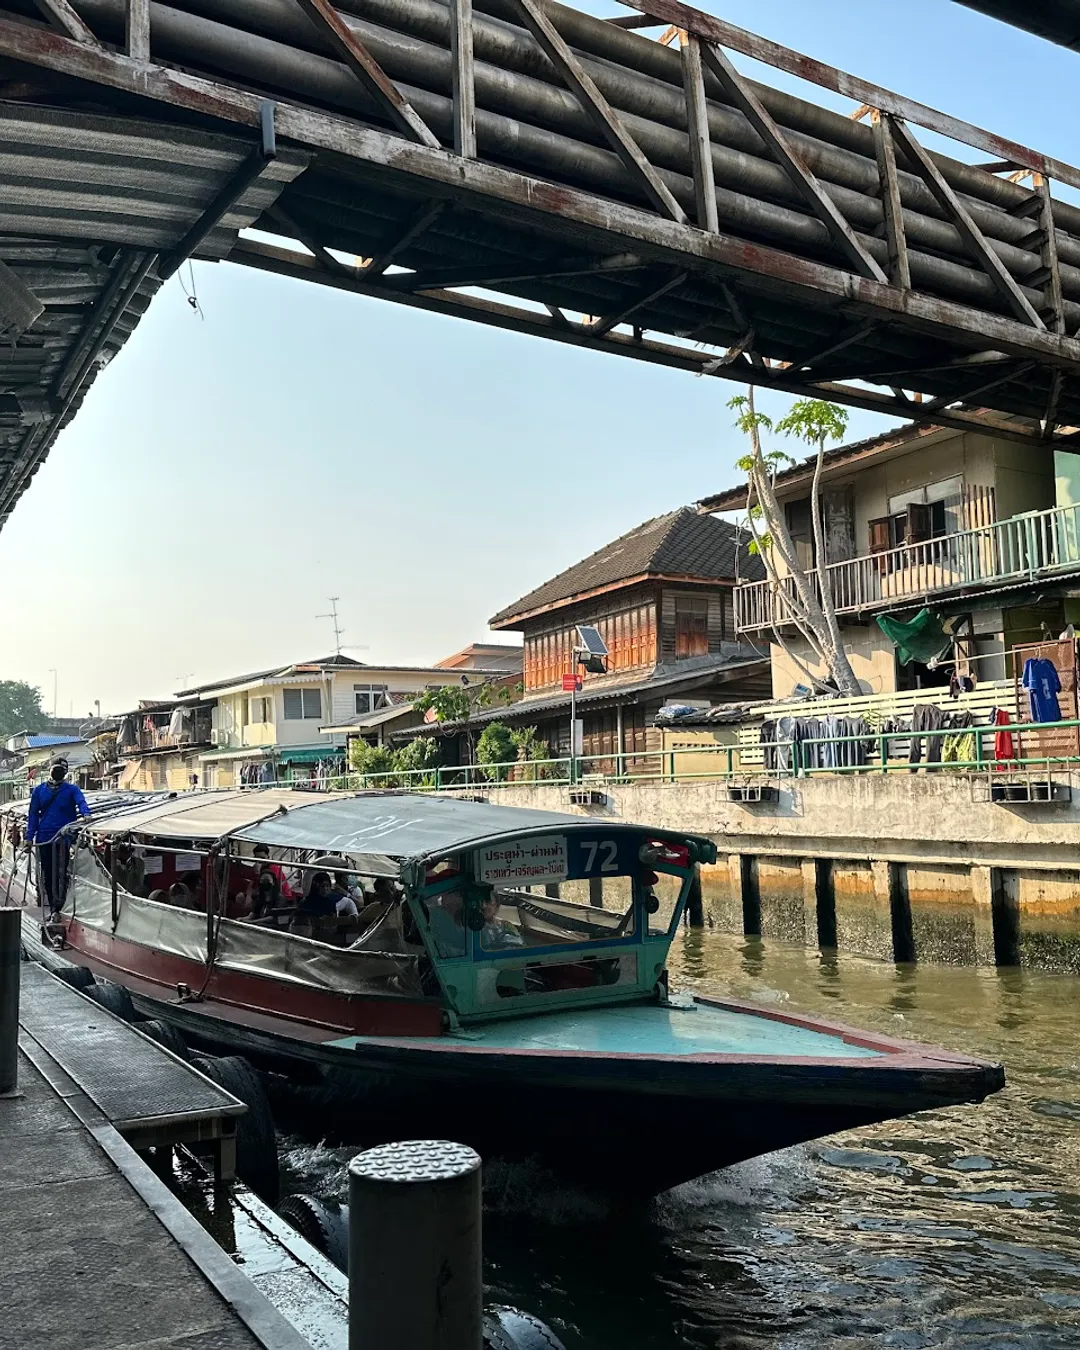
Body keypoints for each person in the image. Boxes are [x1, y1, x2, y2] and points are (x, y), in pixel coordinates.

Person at [25, 759, 91, 917]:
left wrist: (86, 814)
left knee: (61, 872)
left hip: (63, 837)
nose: (58, 771)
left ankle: (58, 907)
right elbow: (33, 815)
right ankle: (53, 906)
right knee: (48, 873)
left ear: (65, 772)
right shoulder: (39, 791)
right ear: (50, 770)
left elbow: (81, 802)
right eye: (56, 768)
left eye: (61, 769)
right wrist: (29, 837)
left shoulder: (72, 789)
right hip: (44, 838)